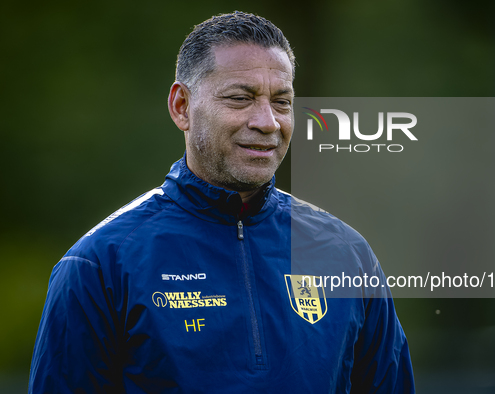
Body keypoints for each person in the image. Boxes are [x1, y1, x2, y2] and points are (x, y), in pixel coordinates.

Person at [29, 11, 414, 393]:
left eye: (282, 102)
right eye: (240, 98)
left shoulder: (347, 254)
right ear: (182, 107)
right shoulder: (100, 262)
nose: (268, 121)